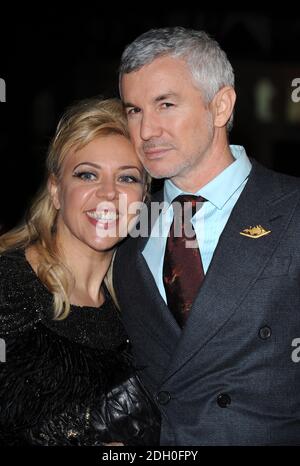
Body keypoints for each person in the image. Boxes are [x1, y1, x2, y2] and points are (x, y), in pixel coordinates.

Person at [113, 26, 300, 445]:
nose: (145, 132)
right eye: (134, 110)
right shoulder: (120, 229)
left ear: (220, 106)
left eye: (165, 104)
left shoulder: (293, 210)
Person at [0, 97, 160, 446]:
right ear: (56, 190)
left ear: (143, 198)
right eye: (87, 174)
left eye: (127, 178)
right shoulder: (7, 286)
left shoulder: (140, 304)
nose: (108, 194)